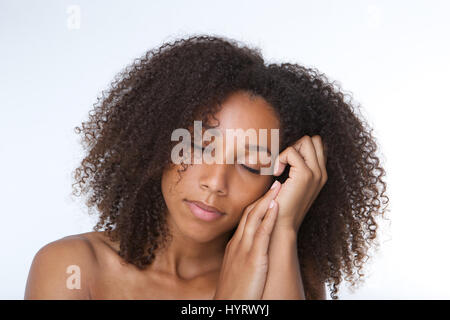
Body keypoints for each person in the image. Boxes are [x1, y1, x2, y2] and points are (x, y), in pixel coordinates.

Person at [24, 35, 389, 300]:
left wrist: (285, 229)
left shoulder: (286, 274)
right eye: (198, 147)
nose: (215, 182)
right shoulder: (72, 269)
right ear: (157, 141)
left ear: (278, 179)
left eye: (250, 164)